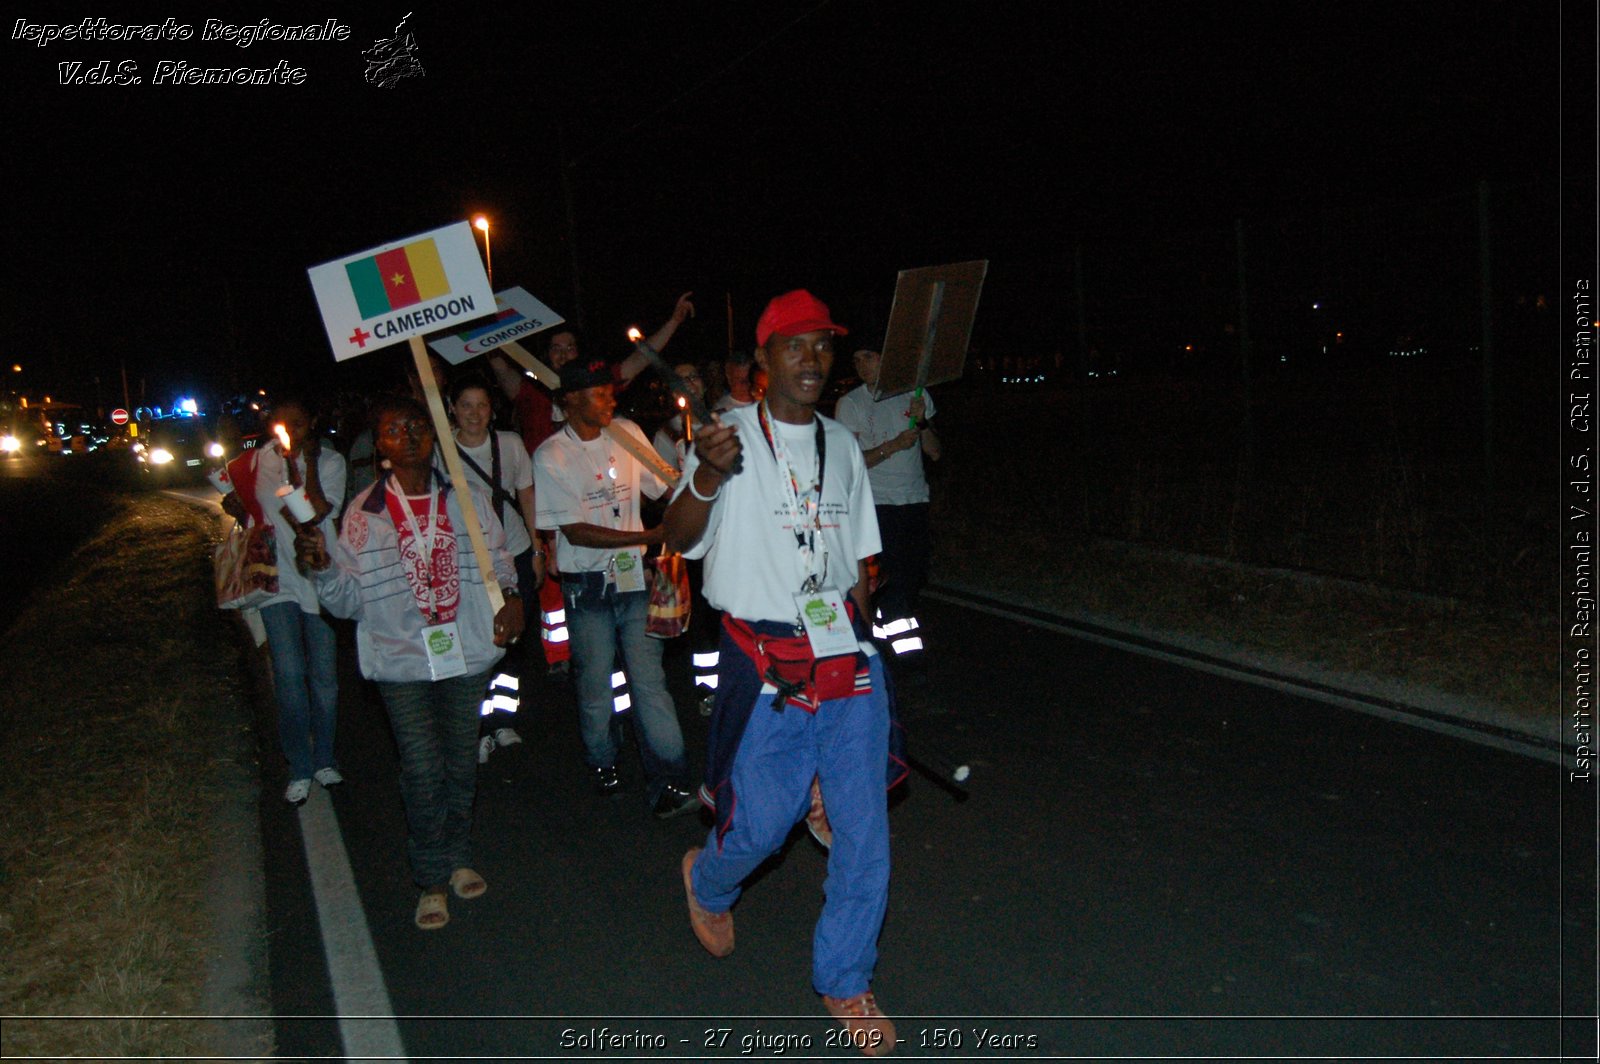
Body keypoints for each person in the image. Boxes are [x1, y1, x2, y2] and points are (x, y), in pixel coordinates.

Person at [663, 290, 904, 1055]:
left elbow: (859, 562)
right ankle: (708, 879)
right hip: (765, 663)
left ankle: (845, 980)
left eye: (823, 347)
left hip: (844, 659)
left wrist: (862, 639)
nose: (813, 359)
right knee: (760, 827)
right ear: (762, 361)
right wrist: (703, 476)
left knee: (866, 836)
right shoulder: (724, 438)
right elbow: (676, 534)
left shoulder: (840, 443)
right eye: (795, 346)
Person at [296, 396, 524, 930]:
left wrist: (512, 596)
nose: (410, 433)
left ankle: (460, 853)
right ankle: (431, 878)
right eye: (396, 429)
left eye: (418, 424)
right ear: (381, 449)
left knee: (461, 762)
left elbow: (500, 557)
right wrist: (326, 568)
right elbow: (348, 602)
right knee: (422, 768)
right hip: (400, 662)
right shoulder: (365, 513)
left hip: (465, 652)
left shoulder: (465, 499)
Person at [487, 293, 697, 682]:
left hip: (619, 546)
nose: (564, 353)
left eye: (570, 347)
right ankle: (565, 662)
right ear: (545, 355)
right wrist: (483, 327)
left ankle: (597, 672)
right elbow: (498, 363)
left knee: (637, 665)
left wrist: (674, 321)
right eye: (556, 348)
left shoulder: (603, 396)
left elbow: (643, 357)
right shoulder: (532, 396)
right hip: (556, 519)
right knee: (574, 627)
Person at [532, 357, 699, 819]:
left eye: (610, 391)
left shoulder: (625, 433)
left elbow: (665, 487)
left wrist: (688, 472)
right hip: (587, 588)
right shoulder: (551, 456)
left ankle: (672, 779)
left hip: (634, 581)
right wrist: (647, 537)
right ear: (570, 400)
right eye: (599, 393)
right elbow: (576, 531)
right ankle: (603, 759)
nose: (610, 400)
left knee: (650, 682)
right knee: (595, 685)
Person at [221, 394, 347, 806]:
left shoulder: (330, 462)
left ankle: (325, 758)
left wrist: (303, 464)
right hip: (277, 580)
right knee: (290, 677)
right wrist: (237, 507)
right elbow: (253, 515)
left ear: (313, 423)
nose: (291, 431)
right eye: (283, 423)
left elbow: (315, 510)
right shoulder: (255, 463)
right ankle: (299, 766)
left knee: (324, 678)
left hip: (321, 579)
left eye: (299, 423)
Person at [444, 374, 547, 761]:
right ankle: (475, 726)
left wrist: (537, 549)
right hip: (466, 563)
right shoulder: (440, 452)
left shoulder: (510, 444)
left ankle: (502, 720)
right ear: (452, 409)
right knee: (475, 641)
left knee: (513, 642)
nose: (474, 413)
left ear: (492, 409)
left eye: (482, 405)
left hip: (514, 551)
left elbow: (527, 493)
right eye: (465, 404)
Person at [832, 349, 942, 683]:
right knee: (890, 583)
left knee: (910, 577)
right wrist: (891, 446)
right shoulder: (851, 404)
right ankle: (909, 660)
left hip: (914, 500)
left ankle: (877, 640)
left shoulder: (915, 396)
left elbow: (934, 452)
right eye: (856, 359)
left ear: (887, 358)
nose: (861, 364)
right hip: (876, 505)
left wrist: (922, 423)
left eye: (869, 357)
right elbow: (848, 464)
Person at [649, 360, 721, 714]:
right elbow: (659, 485)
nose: (689, 384)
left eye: (694, 376)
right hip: (692, 537)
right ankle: (708, 687)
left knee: (727, 610)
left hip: (724, 531)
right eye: (681, 380)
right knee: (700, 617)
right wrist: (683, 496)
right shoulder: (668, 433)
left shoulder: (724, 422)